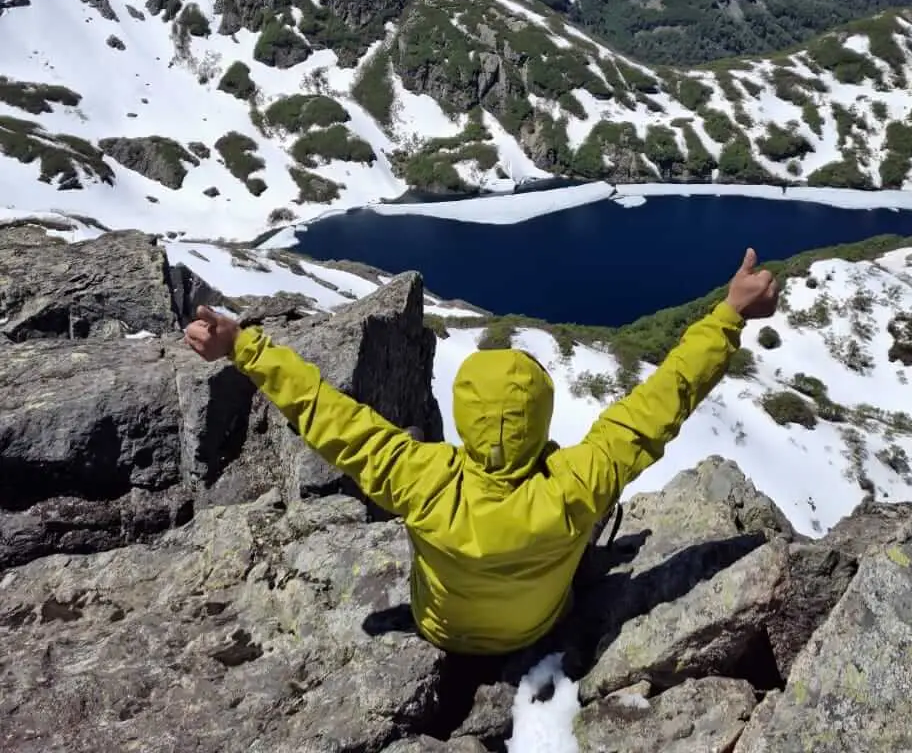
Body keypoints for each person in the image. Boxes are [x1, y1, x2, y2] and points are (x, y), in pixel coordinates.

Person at [185, 247, 779, 656]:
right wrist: (729, 315)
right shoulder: (577, 481)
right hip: (539, 627)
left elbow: (324, 412)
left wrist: (242, 346)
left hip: (440, 629)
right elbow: (662, 400)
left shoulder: (417, 478)